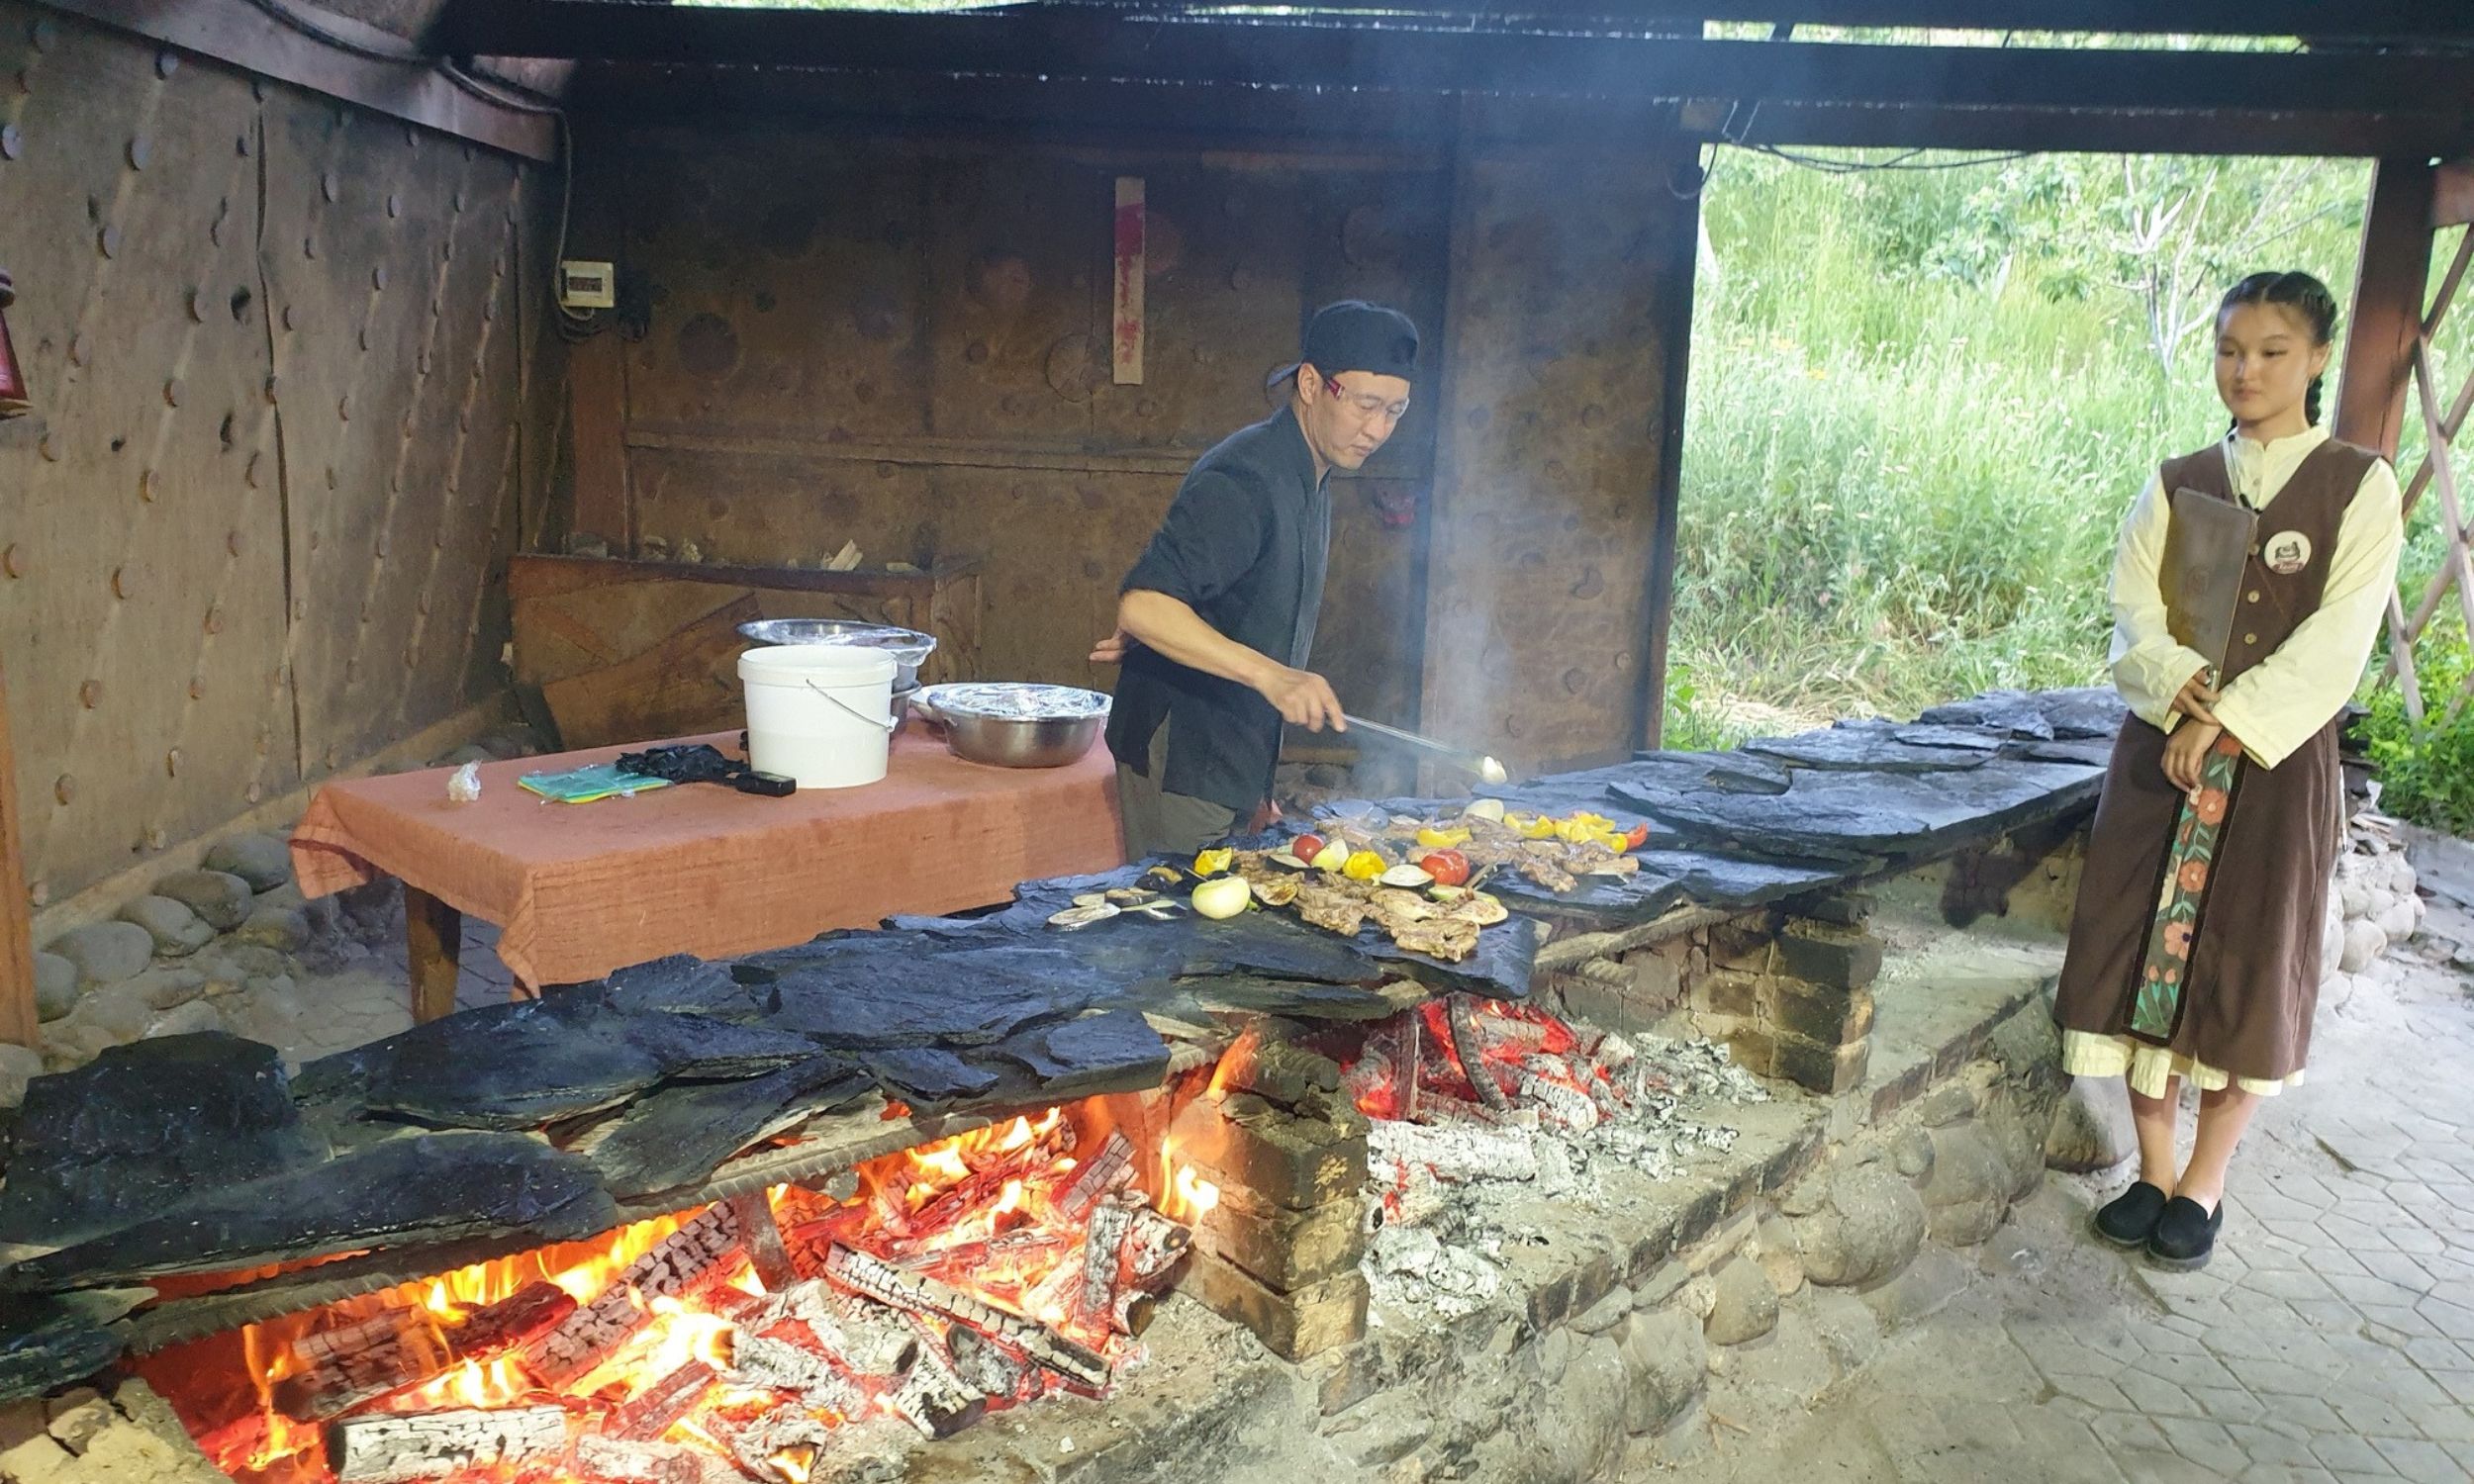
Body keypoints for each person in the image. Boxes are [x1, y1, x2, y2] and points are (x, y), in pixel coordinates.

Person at [2053, 271, 2404, 1271]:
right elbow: (2133, 608)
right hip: (2163, 756)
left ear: (2318, 358)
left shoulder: (2355, 486)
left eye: (2270, 352)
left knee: (2247, 961)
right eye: (2229, 350)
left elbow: (2340, 638)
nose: (2244, 371)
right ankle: (2151, 1171)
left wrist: (2233, 723)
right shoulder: (2178, 480)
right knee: (2136, 954)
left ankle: (2204, 1183)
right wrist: (2182, 694)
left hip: (2274, 769)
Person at [1093, 301, 1419, 859]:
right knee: (1178, 933)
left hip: (1233, 758)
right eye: (1366, 405)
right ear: (1313, 385)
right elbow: (1144, 605)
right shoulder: (1248, 475)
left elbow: (1226, 598)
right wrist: (1275, 677)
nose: (1377, 430)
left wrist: (1255, 787)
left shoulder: (1311, 473)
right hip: (1187, 762)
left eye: (1395, 411)